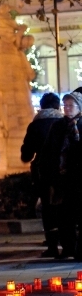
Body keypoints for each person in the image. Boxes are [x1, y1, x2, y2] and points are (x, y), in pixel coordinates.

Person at [39, 91, 82, 260]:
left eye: (71, 105)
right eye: (65, 105)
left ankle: (80, 250)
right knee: (64, 216)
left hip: (79, 178)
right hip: (61, 179)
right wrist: (47, 175)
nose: (67, 108)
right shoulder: (57, 126)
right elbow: (48, 152)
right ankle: (68, 248)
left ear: (79, 107)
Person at [21, 93, 63, 257]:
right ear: (58, 106)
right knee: (63, 206)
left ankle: (52, 245)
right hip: (62, 170)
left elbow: (27, 153)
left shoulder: (35, 125)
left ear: (42, 106)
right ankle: (66, 241)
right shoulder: (64, 122)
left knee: (47, 207)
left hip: (43, 171)